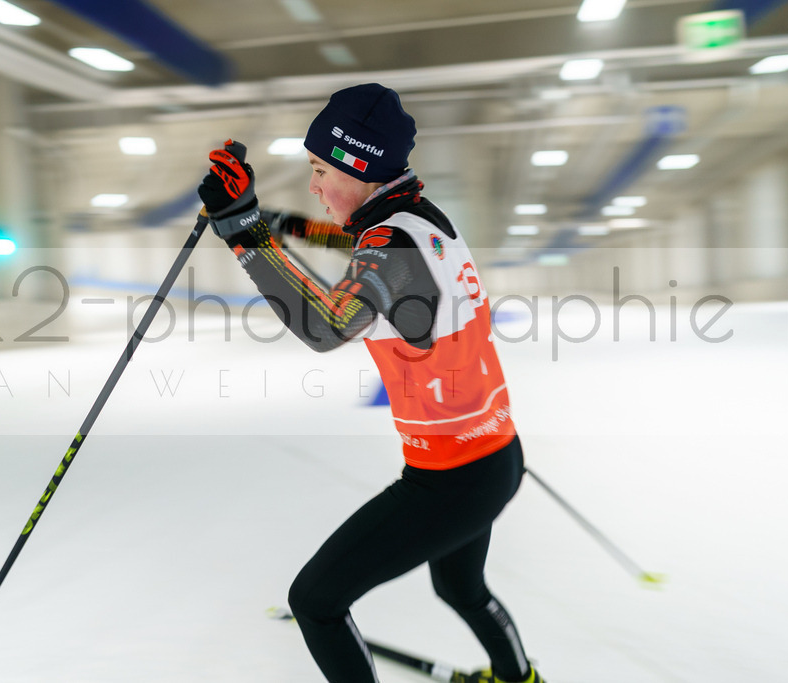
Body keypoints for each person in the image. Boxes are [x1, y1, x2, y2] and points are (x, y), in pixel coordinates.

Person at [197, 83, 544, 683]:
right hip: (493, 454)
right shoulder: (416, 219)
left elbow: (329, 324)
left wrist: (245, 231)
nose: (313, 185)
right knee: (461, 588)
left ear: (358, 166)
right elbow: (355, 242)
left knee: (316, 602)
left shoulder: (392, 243)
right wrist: (278, 224)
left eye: (318, 169)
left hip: (451, 480)